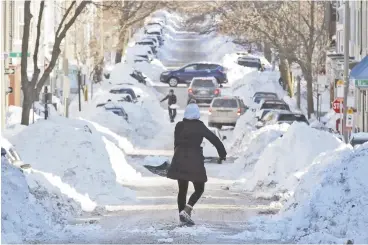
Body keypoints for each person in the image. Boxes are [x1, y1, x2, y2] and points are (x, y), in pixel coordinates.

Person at [167, 103, 227, 225]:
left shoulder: (179, 125)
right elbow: (214, 139)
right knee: (199, 188)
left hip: (179, 160)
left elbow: (176, 143)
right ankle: (187, 209)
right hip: (194, 161)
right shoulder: (199, 126)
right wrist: (222, 154)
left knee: (182, 190)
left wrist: (176, 158)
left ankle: (182, 216)